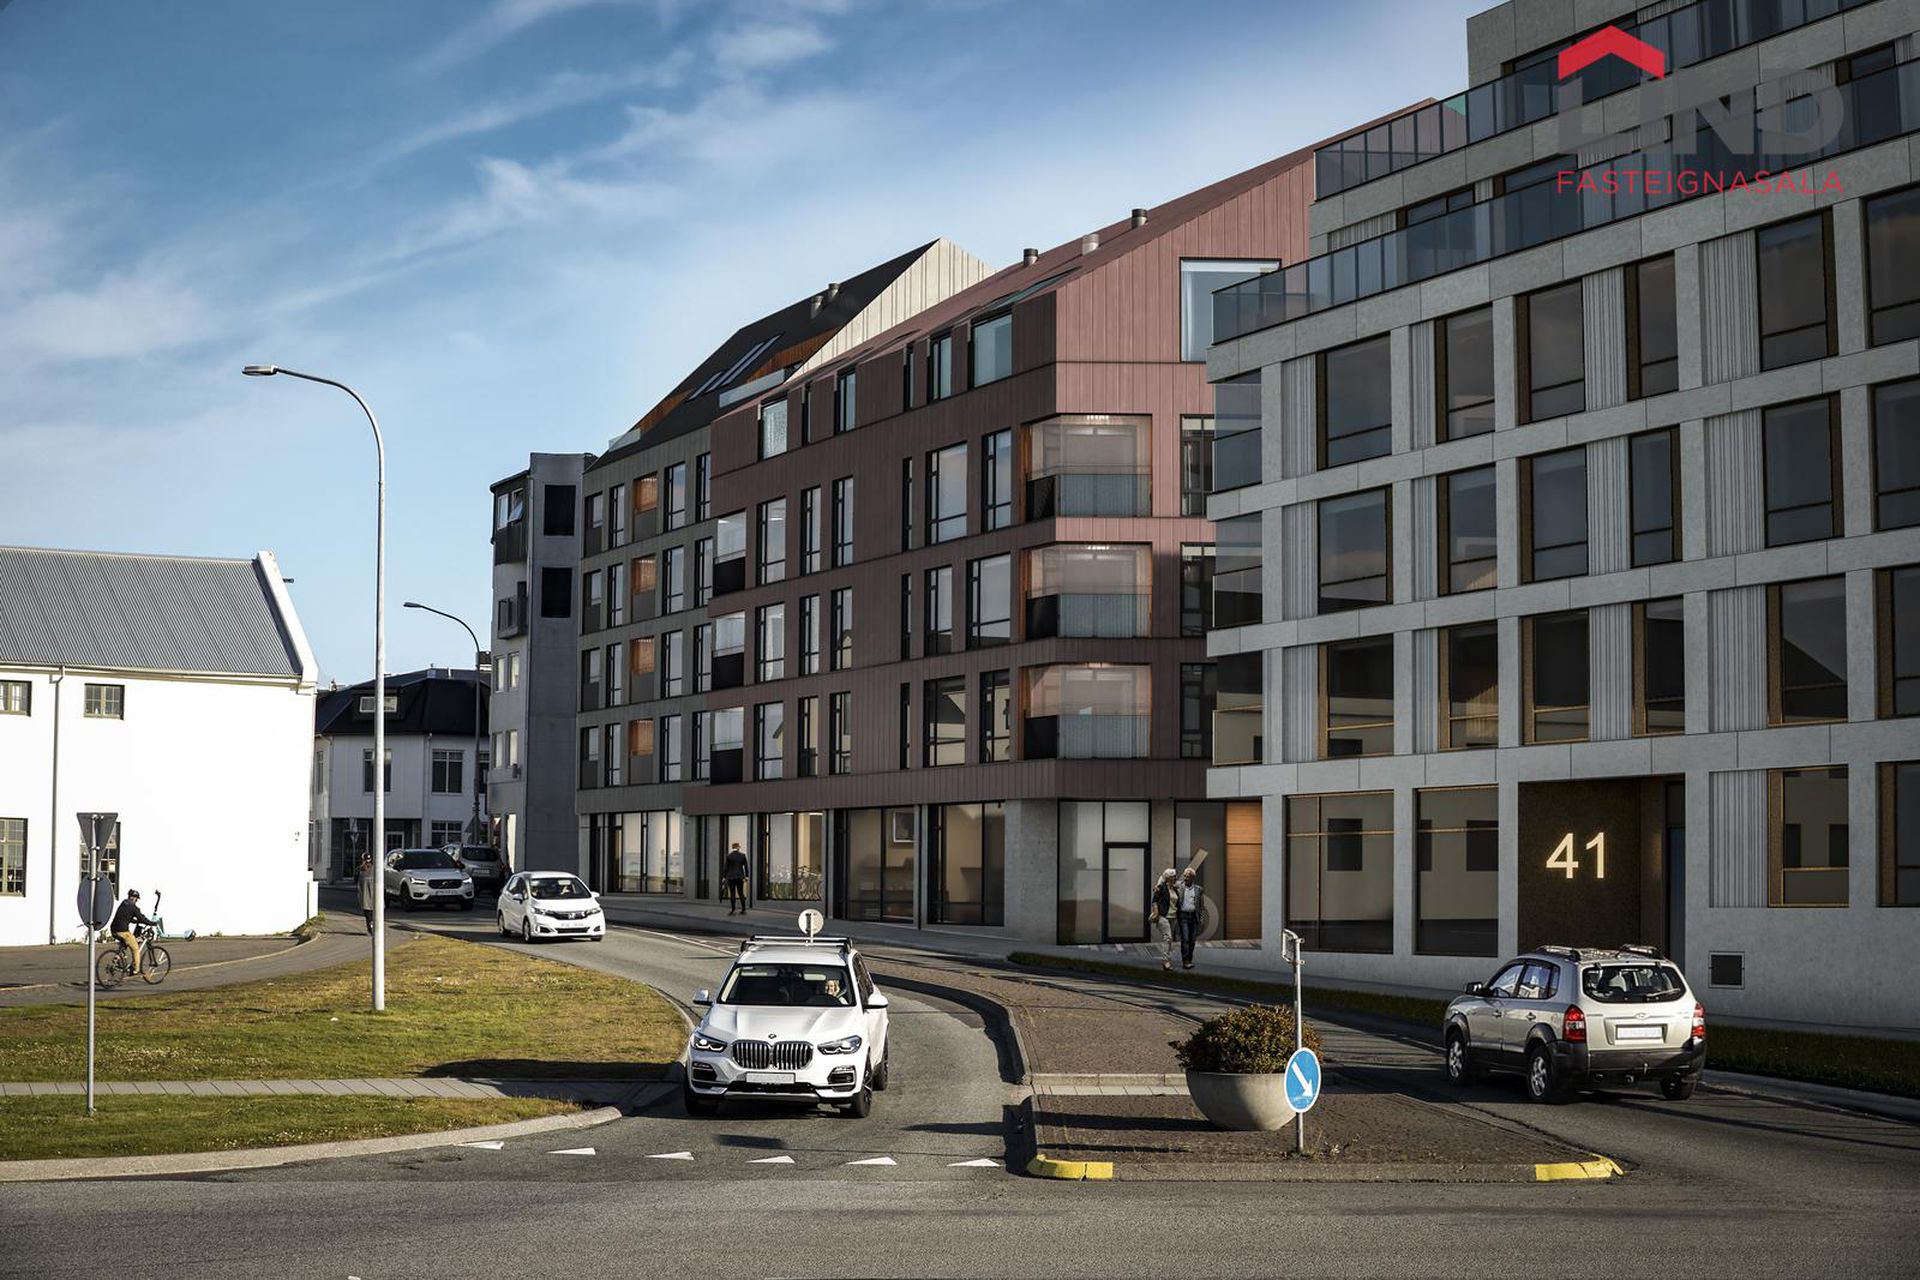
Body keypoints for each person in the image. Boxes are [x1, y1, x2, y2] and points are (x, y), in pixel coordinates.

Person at [109, 889, 154, 974]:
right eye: (136, 899)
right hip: (122, 931)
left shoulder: (123, 903)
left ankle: (117, 958)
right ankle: (136, 969)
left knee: (125, 944)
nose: (136, 901)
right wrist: (152, 923)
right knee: (135, 948)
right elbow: (141, 918)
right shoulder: (133, 907)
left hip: (114, 930)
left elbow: (126, 917)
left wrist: (136, 921)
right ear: (134, 898)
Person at [1149, 869, 1179, 972]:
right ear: (1168, 878)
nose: (1175, 878)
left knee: (1169, 940)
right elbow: (1154, 900)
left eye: (1175, 876)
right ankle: (1166, 961)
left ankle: (1167, 959)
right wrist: (1156, 912)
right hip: (1163, 916)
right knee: (1167, 938)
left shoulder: (1175, 888)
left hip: (1173, 917)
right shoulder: (1161, 887)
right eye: (1173, 876)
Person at [1176, 864, 1204, 970]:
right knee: (1186, 939)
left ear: (1193, 878)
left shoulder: (1198, 889)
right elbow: (1166, 882)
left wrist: (1201, 919)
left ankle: (1189, 960)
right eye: (1184, 876)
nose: (1185, 878)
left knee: (1192, 940)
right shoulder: (1179, 887)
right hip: (1183, 916)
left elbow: (1201, 906)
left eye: (1188, 876)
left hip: (1194, 917)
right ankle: (1185, 961)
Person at [722, 842, 750, 915]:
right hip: (740, 877)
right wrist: (747, 876)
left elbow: (726, 867)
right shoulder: (742, 856)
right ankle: (743, 909)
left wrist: (724, 877)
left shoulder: (729, 856)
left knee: (732, 893)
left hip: (731, 877)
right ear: (737, 847)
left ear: (732, 847)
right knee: (741, 893)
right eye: (739, 847)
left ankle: (733, 909)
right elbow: (746, 867)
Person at [357, 852, 378, 934]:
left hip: (366, 895)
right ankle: (372, 926)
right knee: (372, 913)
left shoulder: (360, 870)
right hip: (372, 895)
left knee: (368, 914)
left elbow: (358, 883)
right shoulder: (375, 869)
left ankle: (370, 927)